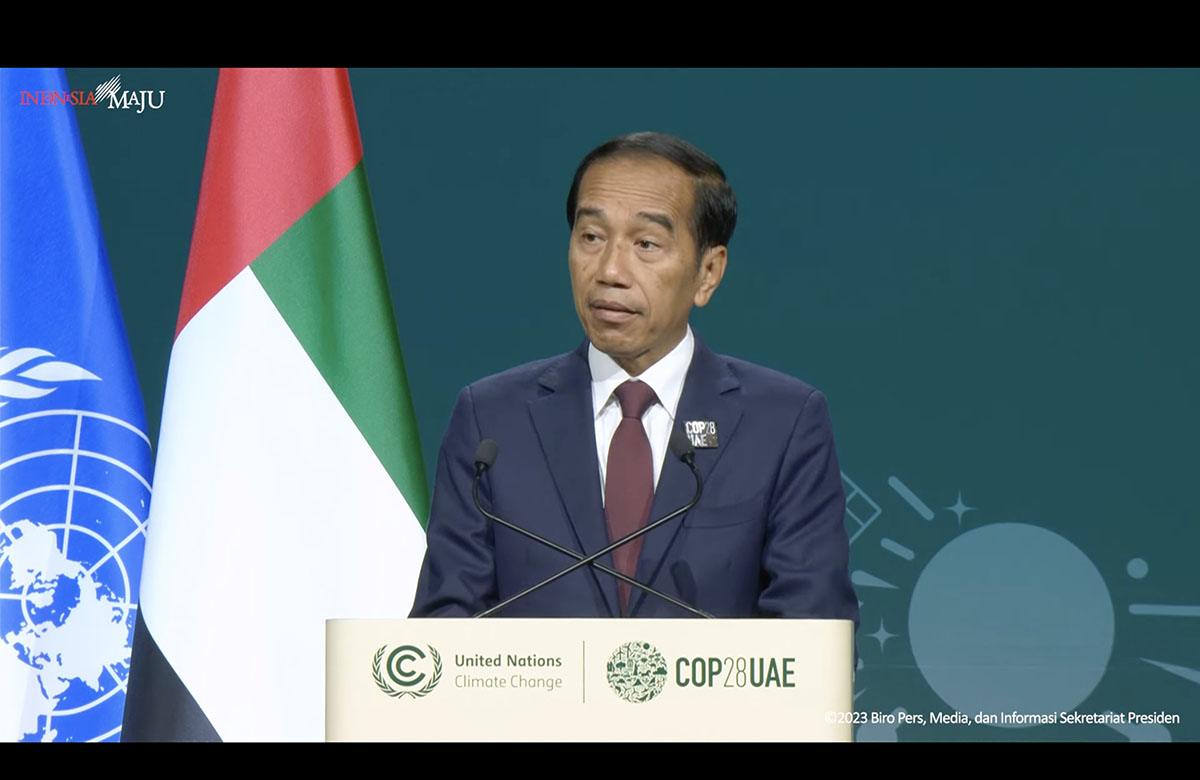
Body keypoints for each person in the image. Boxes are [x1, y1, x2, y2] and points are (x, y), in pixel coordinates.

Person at [410, 132, 858, 625]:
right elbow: (444, 627)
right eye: (591, 237)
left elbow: (814, 631)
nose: (609, 271)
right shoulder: (491, 420)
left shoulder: (782, 423)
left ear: (708, 272)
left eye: (646, 244)